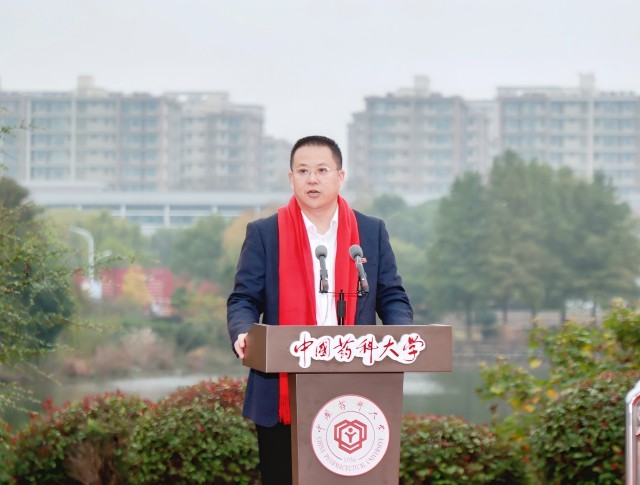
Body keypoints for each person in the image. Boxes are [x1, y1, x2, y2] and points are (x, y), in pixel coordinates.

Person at [227, 135, 413, 485]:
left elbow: (392, 297)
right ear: (291, 178)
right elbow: (244, 299)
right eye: (303, 171)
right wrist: (243, 331)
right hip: (282, 386)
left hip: (356, 383)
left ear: (340, 177)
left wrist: (400, 335)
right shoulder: (265, 233)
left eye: (322, 170)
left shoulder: (370, 231)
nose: (312, 179)